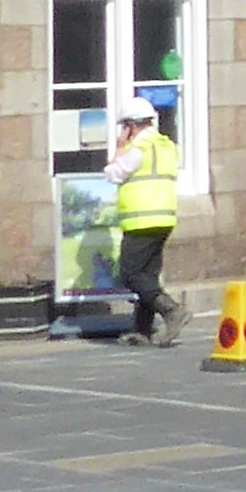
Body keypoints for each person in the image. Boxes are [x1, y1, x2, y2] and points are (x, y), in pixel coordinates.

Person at [105, 92, 184, 344]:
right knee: (148, 276)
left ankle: (172, 310)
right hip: (164, 219)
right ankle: (142, 330)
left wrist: (119, 148)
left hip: (141, 220)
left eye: (125, 127)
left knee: (130, 274)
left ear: (131, 126)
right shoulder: (168, 146)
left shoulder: (138, 149)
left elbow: (113, 174)